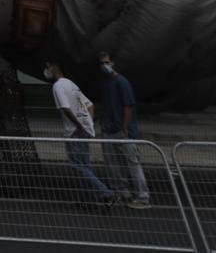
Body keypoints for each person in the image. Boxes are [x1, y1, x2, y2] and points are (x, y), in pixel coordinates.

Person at [44, 59, 114, 207]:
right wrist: (89, 123)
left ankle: (106, 192)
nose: (46, 71)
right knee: (85, 165)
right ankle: (88, 199)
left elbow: (65, 108)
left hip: (75, 132)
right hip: (84, 130)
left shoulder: (58, 86)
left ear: (54, 68)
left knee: (77, 165)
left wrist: (79, 125)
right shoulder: (71, 84)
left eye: (47, 67)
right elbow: (90, 104)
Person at [97, 52, 149, 208]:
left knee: (132, 163)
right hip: (109, 129)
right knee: (112, 163)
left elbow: (128, 106)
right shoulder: (107, 83)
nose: (104, 66)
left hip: (123, 130)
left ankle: (142, 196)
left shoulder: (121, 82)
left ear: (112, 63)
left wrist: (125, 127)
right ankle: (122, 191)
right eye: (101, 63)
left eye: (106, 62)